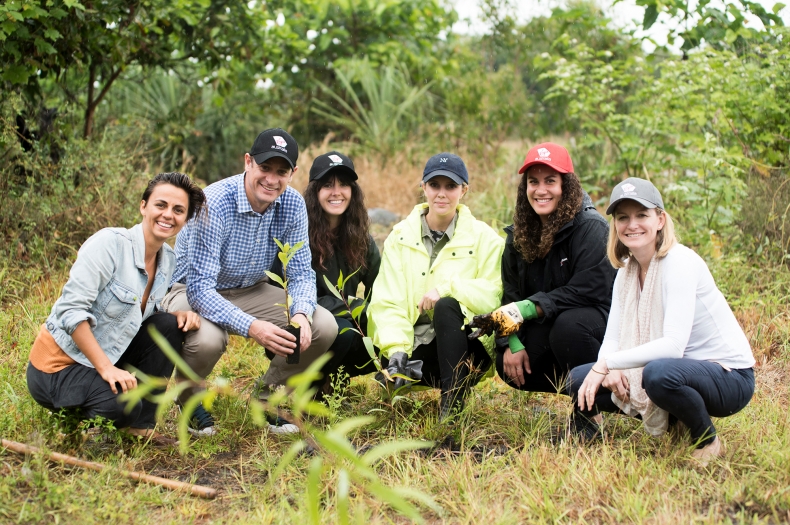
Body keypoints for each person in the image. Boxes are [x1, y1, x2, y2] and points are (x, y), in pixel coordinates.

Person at [163, 128, 338, 435]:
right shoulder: (213, 202)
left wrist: (300, 313)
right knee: (208, 340)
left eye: (281, 171)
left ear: (293, 173)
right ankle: (188, 398)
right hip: (191, 289)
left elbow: (300, 272)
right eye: (264, 168)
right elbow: (201, 289)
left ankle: (266, 398)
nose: (272, 179)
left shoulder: (294, 205)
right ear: (248, 162)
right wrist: (253, 327)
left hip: (250, 288)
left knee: (323, 325)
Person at [569, 178, 755, 464]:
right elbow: (613, 337)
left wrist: (608, 364)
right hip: (681, 371)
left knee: (657, 374)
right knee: (580, 379)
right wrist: (607, 366)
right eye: (623, 218)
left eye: (641, 215)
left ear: (660, 219)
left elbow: (673, 347)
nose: (632, 225)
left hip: (729, 376)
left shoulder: (679, 263)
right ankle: (670, 422)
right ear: (615, 226)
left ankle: (708, 440)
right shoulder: (627, 272)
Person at [26, 172, 206, 445]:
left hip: (104, 358)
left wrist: (176, 314)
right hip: (58, 368)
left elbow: (139, 317)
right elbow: (71, 312)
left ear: (185, 219)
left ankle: (140, 427)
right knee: (124, 407)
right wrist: (107, 370)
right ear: (143, 206)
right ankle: (78, 419)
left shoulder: (167, 259)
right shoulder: (109, 244)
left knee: (167, 326)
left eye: (178, 210)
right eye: (161, 205)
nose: (168, 215)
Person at [470, 142, 616, 397]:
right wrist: (510, 342)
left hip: (599, 328)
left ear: (566, 186)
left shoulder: (591, 228)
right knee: (509, 365)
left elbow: (588, 291)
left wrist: (526, 309)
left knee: (569, 327)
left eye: (550, 181)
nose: (541, 190)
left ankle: (594, 407)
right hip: (554, 327)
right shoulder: (519, 235)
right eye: (533, 182)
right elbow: (511, 296)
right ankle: (581, 388)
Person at [368, 153, 504, 420]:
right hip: (417, 350)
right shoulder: (399, 237)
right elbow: (387, 300)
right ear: (423, 188)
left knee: (446, 305)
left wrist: (447, 288)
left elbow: (495, 294)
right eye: (435, 185)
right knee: (387, 343)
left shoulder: (486, 239)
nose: (442, 194)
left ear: (464, 190)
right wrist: (397, 350)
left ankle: (451, 408)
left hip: (467, 350)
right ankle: (400, 370)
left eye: (451, 186)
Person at [301, 151, 381, 394]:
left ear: (353, 192)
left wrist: (372, 315)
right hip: (302, 329)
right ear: (315, 193)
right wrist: (349, 309)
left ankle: (334, 378)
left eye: (344, 184)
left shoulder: (361, 238)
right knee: (343, 332)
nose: (336, 192)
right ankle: (310, 386)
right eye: (327, 185)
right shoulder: (299, 233)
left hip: (344, 323)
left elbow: (381, 286)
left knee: (382, 330)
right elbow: (281, 295)